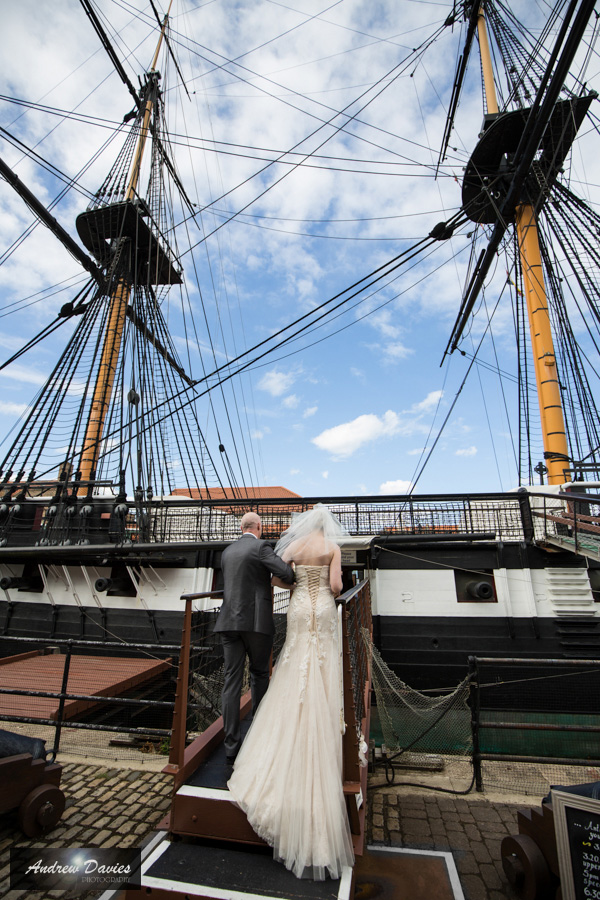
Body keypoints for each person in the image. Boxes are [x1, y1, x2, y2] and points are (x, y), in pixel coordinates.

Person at [227, 504, 355, 881]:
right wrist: (340, 583)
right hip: (324, 610)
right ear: (325, 524)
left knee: (293, 659)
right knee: (321, 662)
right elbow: (334, 588)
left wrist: (296, 583)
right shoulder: (331, 548)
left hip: (299, 609)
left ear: (303, 524)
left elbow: (280, 579)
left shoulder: (293, 547)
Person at [215, 511, 295, 763]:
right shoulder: (261, 547)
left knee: (232, 682)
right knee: (259, 674)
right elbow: (286, 573)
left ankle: (231, 745)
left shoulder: (227, 552)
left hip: (228, 622)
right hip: (257, 622)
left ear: (242, 528)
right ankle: (258, 735)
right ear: (259, 526)